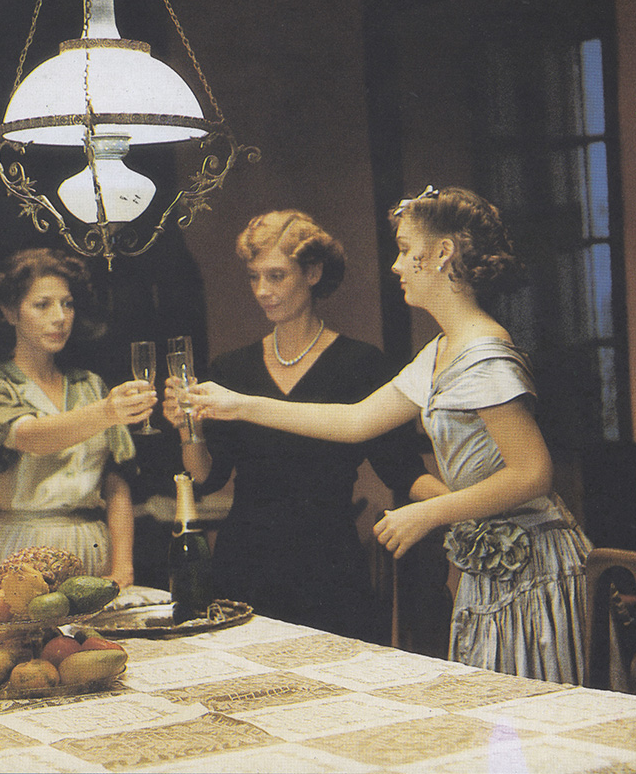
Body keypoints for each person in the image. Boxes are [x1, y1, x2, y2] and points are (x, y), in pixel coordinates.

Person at [185, 187, 592, 683]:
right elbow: (355, 421)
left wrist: (429, 512)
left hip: (529, 560)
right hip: (492, 556)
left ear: (442, 253)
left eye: (404, 249)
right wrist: (240, 404)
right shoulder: (441, 349)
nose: (396, 265)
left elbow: (533, 473)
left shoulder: (483, 351)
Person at [162, 210, 444, 643]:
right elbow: (207, 477)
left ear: (313, 273)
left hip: (329, 566)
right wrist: (187, 427)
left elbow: (404, 471)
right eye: (254, 277)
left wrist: (472, 508)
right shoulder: (232, 368)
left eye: (276, 276)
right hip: (245, 563)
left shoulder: (361, 364)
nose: (263, 291)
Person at [0, 247, 157, 594]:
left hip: (92, 546)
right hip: (18, 547)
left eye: (67, 304)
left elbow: (115, 482)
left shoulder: (90, 386)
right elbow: (33, 437)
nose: (60, 317)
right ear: (10, 312)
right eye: (42, 305)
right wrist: (107, 412)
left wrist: (122, 566)